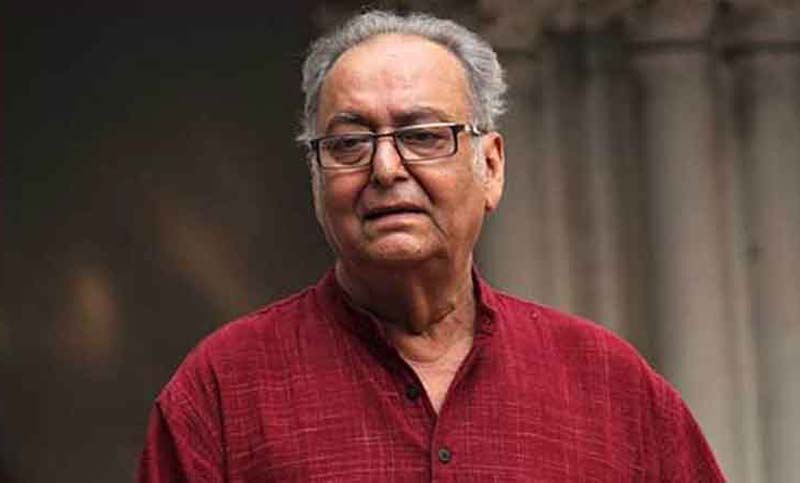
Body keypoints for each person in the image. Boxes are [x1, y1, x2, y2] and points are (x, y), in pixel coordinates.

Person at [138, 10, 725, 481]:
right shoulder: (224, 390)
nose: (386, 168)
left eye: (422, 136)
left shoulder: (608, 385)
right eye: (348, 143)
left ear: (490, 167)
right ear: (316, 176)